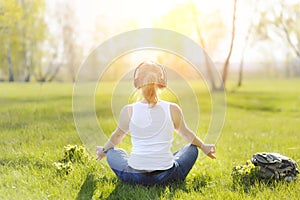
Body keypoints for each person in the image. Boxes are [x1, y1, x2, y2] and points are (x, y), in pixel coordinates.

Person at [96, 61, 216, 186]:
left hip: (135, 177)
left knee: (113, 152)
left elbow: (117, 136)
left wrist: (103, 150)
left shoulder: (128, 110)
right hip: (167, 176)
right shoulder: (173, 109)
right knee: (191, 149)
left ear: (137, 83)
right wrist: (204, 147)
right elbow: (186, 134)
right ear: (162, 83)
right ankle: (169, 167)